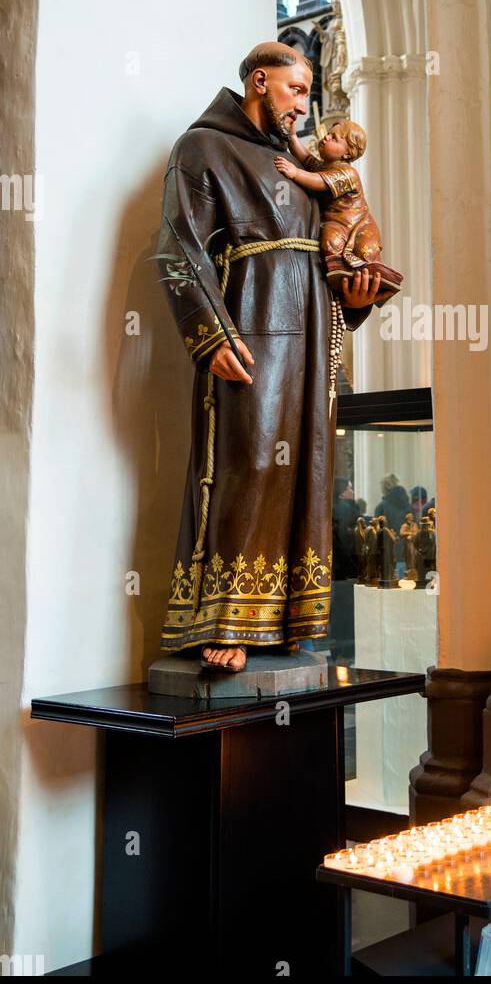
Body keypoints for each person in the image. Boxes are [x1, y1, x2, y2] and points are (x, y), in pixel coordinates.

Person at [156, 42, 381, 672]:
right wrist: (211, 334)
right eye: (296, 89)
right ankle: (227, 617)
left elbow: (337, 239)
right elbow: (178, 249)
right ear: (260, 82)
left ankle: (283, 619)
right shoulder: (201, 148)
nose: (305, 104)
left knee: (305, 465)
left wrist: (355, 290)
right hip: (251, 324)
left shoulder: (300, 161)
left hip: (309, 329)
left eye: (308, 92)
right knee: (247, 461)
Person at [274, 118, 402, 301]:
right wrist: (293, 136)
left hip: (358, 225)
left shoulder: (348, 173)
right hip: (337, 223)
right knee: (330, 240)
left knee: (365, 250)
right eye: (328, 133)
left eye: (334, 138)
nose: (325, 138)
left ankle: (363, 272)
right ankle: (339, 270)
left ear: (348, 153)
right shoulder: (327, 166)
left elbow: (318, 181)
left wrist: (295, 173)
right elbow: (306, 159)